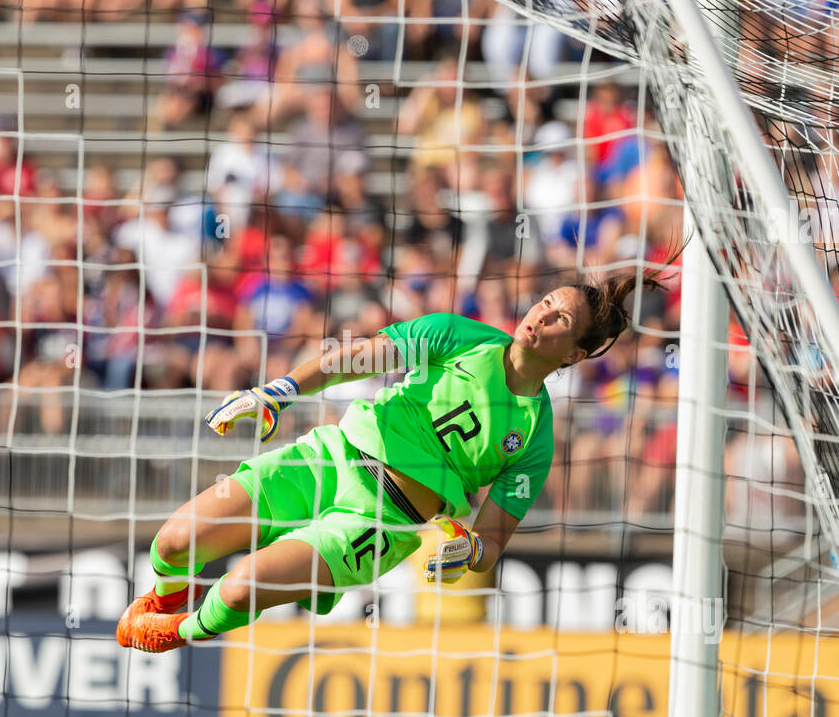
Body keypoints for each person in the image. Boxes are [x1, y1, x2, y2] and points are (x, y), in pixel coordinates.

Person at [116, 271, 674, 653]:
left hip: (379, 523)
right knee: (172, 543)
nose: (542, 316)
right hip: (329, 458)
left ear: (574, 354)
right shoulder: (460, 336)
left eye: (560, 320)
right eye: (547, 302)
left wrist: (468, 549)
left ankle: (180, 630)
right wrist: (278, 391)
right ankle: (167, 598)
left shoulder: (534, 438)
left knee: (238, 589)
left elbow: (491, 544)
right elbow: (352, 361)